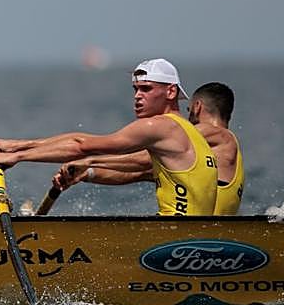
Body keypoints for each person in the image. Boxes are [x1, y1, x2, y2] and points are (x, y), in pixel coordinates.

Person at [0, 59, 218, 216]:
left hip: (174, 239)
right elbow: (135, 171)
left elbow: (83, 146)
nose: (137, 97)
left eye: (146, 89)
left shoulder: (158, 127)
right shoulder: (185, 130)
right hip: (189, 239)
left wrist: (18, 156)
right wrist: (86, 172)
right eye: (135, 90)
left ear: (171, 92)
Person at [54, 82, 244, 214]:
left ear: (197, 107)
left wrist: (90, 160)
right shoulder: (204, 160)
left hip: (193, 237)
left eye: (188, 112)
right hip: (204, 238)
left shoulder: (219, 136)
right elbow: (137, 173)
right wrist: (86, 174)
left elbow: (141, 159)